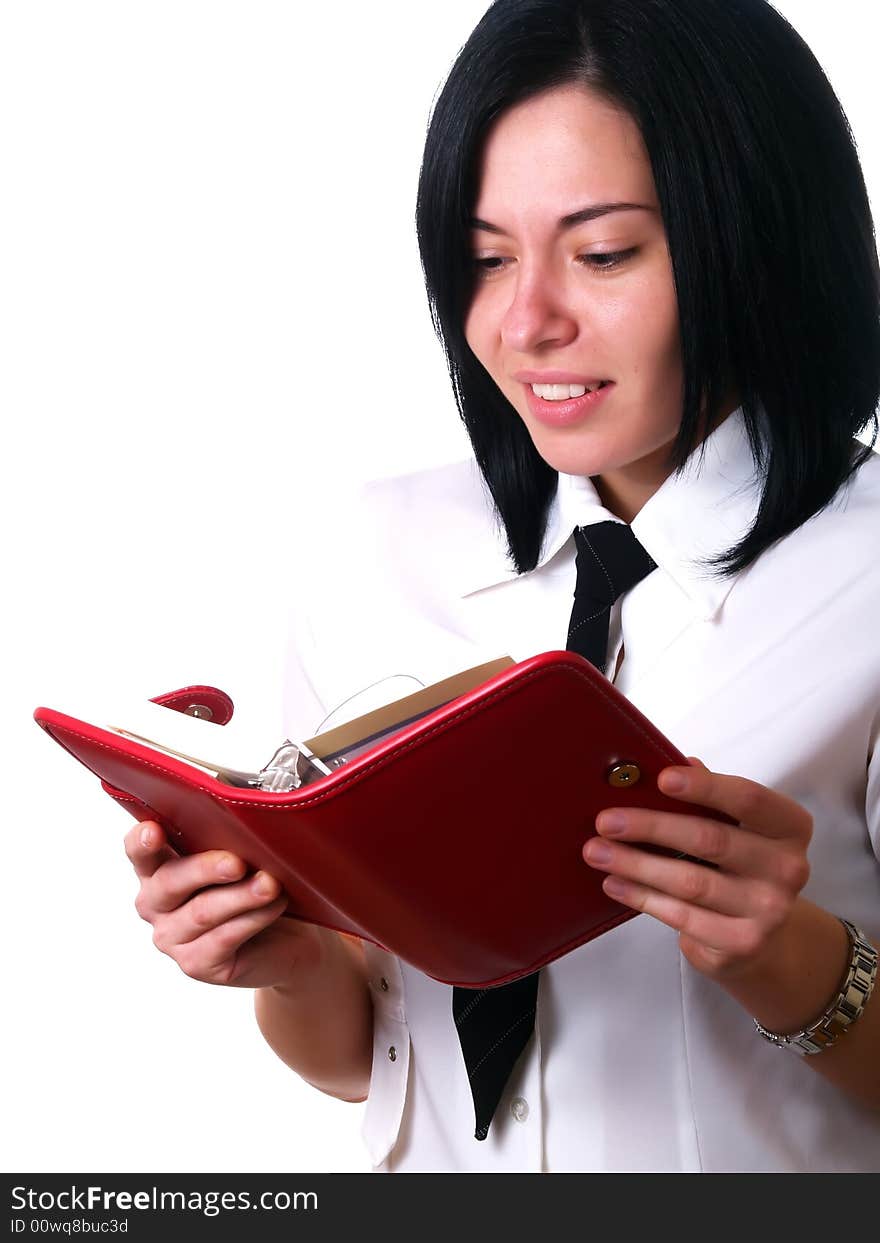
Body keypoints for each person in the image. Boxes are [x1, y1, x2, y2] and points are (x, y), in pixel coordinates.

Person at [125, 0, 880, 1172]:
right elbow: (371, 1052)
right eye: (484, 260)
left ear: (758, 240)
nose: (526, 322)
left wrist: (785, 953)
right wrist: (285, 958)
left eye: (604, 252)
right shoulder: (376, 546)